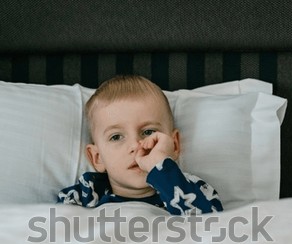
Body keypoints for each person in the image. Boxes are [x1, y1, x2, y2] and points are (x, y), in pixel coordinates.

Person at [58, 75, 223, 215]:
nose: (136, 146)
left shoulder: (191, 190)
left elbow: (211, 229)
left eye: (148, 132)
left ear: (173, 145)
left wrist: (162, 168)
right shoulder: (83, 196)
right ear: (97, 158)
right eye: (116, 137)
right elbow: (56, 239)